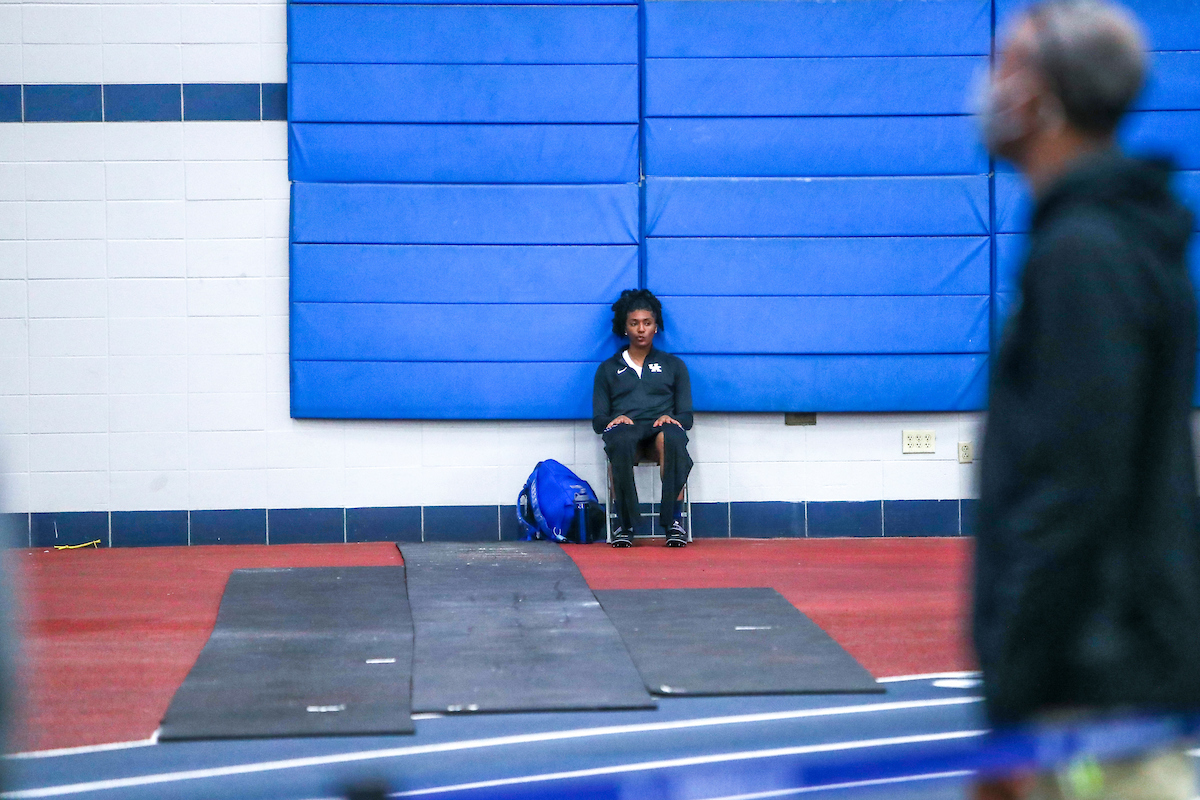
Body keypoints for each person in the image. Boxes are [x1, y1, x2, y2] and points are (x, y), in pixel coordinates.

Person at [973, 2, 1200, 798]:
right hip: (1100, 676)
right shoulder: (1108, 238)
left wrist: (1011, 711)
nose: (986, 88)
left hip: (1095, 686)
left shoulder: (1086, 253)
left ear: (1041, 97)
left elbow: (1075, 486)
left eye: (1003, 67)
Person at [592, 290, 694, 548]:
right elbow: (598, 421)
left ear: (655, 327)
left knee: (673, 437)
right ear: (624, 328)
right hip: (628, 435)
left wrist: (671, 418)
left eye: (647, 323)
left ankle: (673, 521)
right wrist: (615, 419)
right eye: (634, 323)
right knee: (620, 439)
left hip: (661, 434)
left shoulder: (673, 365)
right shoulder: (607, 369)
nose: (640, 329)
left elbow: (687, 417)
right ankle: (625, 525)